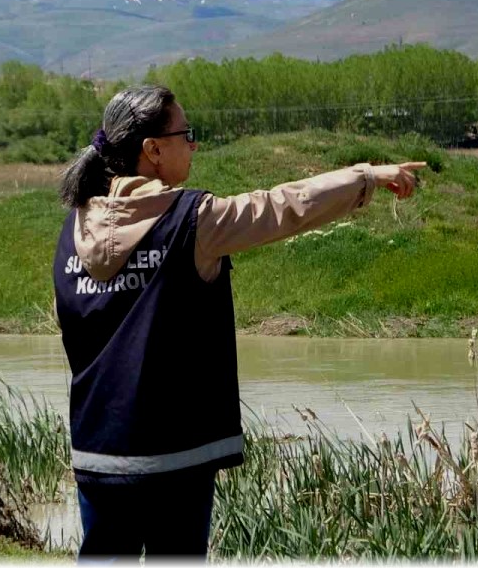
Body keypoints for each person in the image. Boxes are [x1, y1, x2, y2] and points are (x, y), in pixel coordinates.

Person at [52, 85, 424, 561]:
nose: (194, 145)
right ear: (153, 150)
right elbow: (283, 207)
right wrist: (366, 176)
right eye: (186, 134)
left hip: (97, 452)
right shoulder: (192, 221)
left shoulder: (73, 231)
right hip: (176, 456)